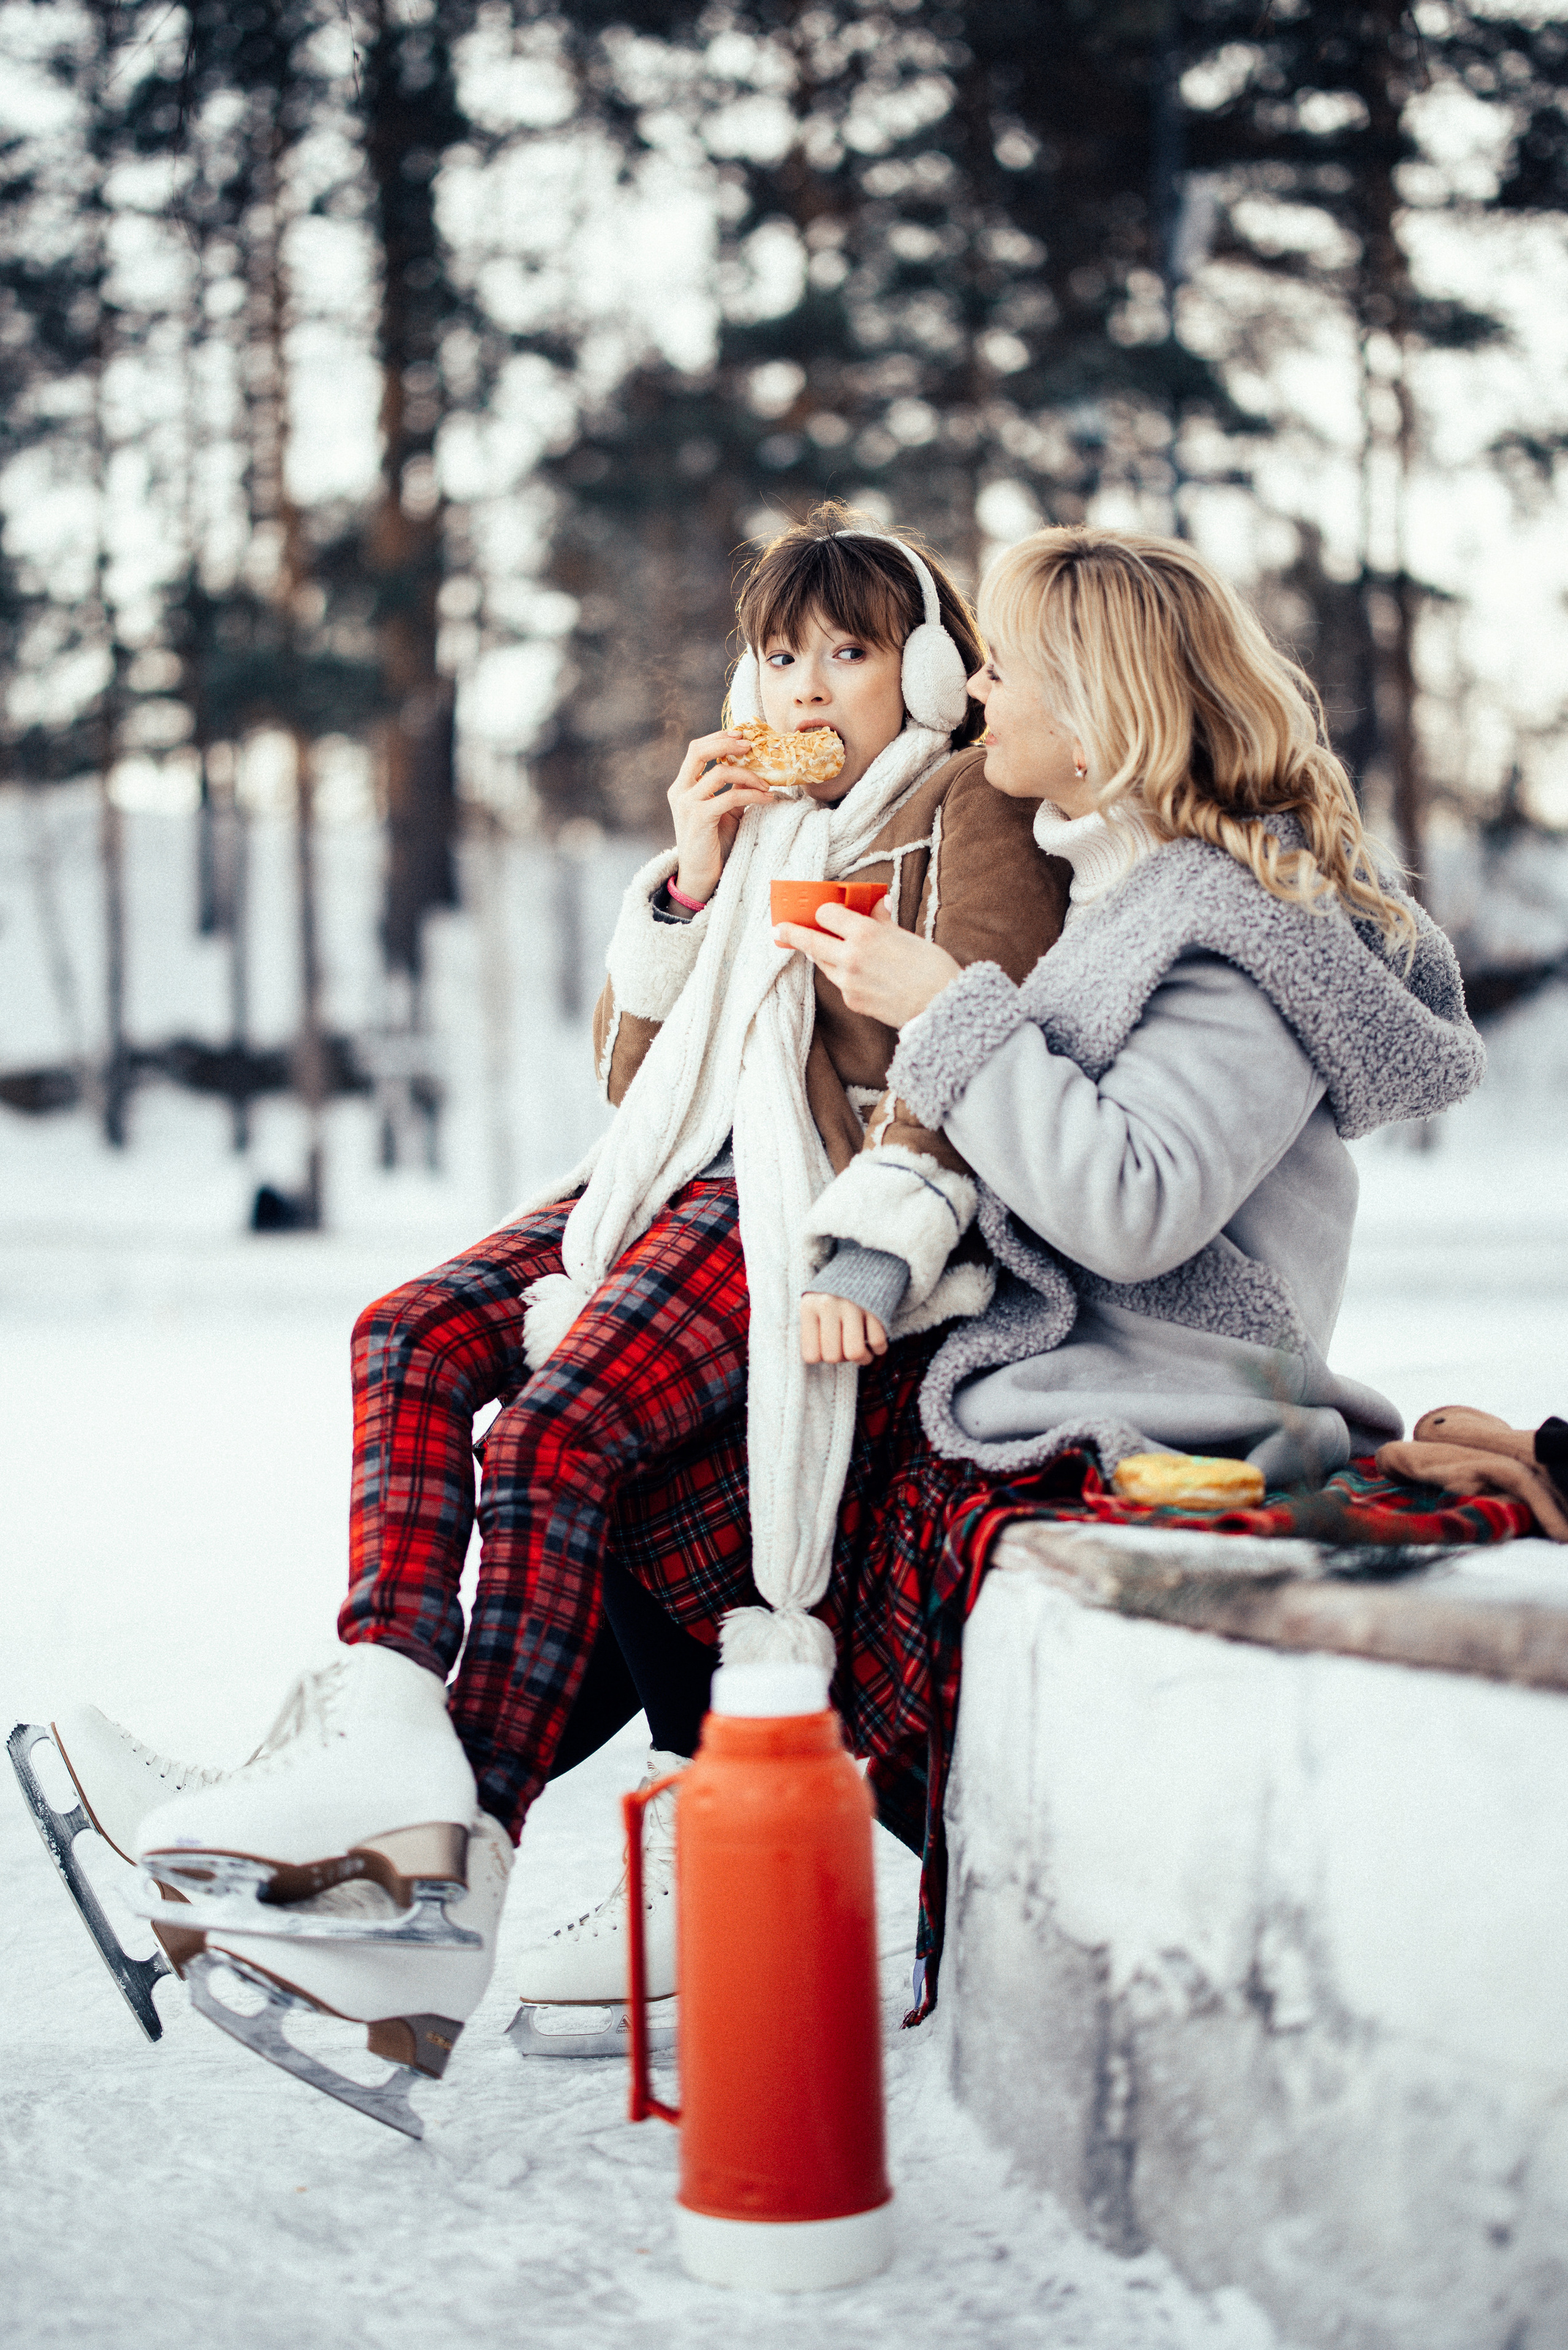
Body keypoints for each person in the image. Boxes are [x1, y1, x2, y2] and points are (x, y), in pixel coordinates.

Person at [29, 506, 1068, 2119]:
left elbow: (966, 1048)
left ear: (926, 667)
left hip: (818, 1188)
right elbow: (633, 1086)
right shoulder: (760, 834)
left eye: (848, 654)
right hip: (675, 1171)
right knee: (409, 1332)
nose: (805, 690)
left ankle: (435, 1867)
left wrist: (887, 1207)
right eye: (781, 654)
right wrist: (693, 884)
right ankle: (366, 1729)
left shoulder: (963, 801)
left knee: (562, 1430)